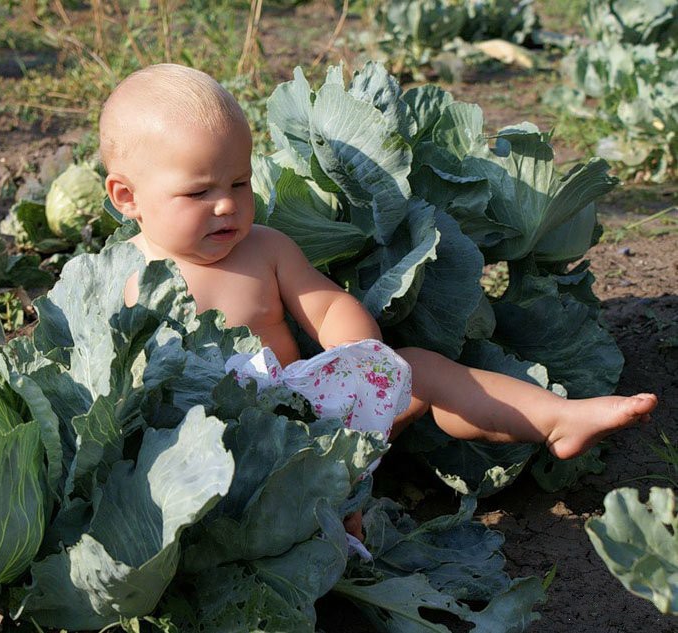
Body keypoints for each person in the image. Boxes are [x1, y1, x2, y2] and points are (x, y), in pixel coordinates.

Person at [99, 64, 657, 527]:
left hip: (314, 412)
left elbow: (324, 304)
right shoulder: (128, 281)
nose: (227, 206)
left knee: (423, 370)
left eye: (240, 183)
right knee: (286, 522)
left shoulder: (265, 247)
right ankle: (333, 519)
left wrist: (356, 349)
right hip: (226, 456)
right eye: (199, 192)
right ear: (128, 197)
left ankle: (556, 418)